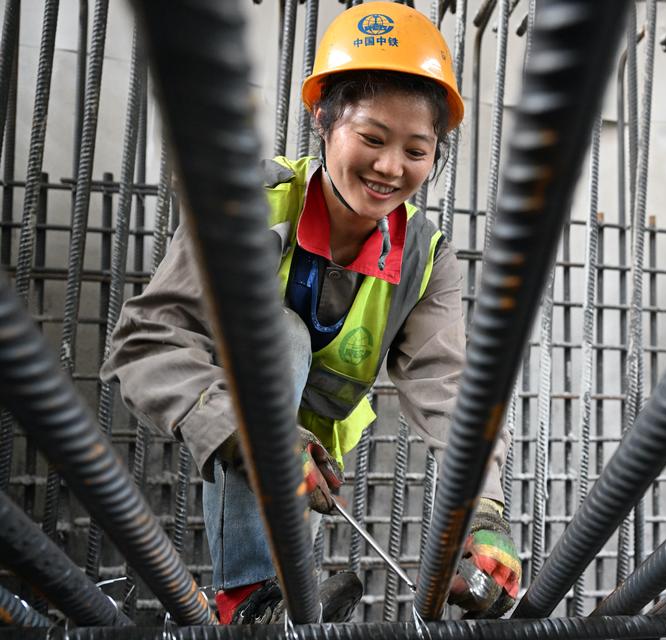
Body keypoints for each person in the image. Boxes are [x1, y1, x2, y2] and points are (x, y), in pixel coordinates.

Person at [101, 2, 519, 625]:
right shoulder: (256, 206)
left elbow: (451, 394)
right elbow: (142, 344)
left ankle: (279, 598)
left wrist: (484, 512)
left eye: (416, 149)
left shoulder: (426, 258)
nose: (389, 168)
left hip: (313, 461)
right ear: (324, 120)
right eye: (372, 138)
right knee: (283, 335)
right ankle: (248, 598)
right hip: (230, 421)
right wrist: (249, 435)